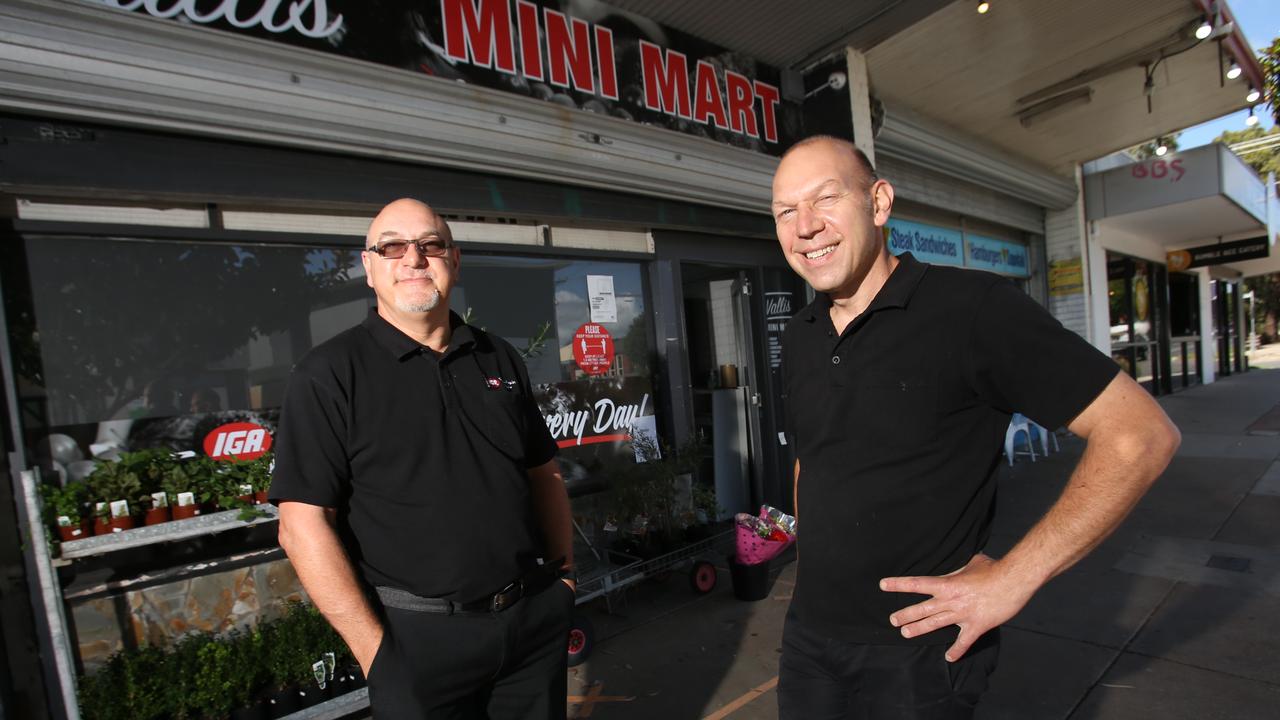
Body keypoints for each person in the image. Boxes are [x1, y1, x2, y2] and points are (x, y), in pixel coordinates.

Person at [770, 136, 1179, 719]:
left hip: (918, 654)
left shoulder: (971, 309)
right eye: (786, 211)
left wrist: (1014, 577)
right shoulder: (802, 332)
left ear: (879, 202)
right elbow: (813, 459)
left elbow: (1140, 433)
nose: (805, 226)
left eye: (825, 199)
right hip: (810, 641)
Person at [271, 198, 575, 719]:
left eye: (430, 244)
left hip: (530, 627)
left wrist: (565, 581)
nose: (413, 258)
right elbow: (302, 527)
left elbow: (542, 473)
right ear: (369, 268)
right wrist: (378, 655)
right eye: (391, 247)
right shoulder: (328, 374)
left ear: (454, 262)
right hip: (417, 644)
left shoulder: (496, 356)